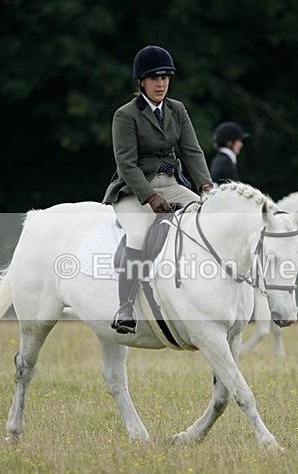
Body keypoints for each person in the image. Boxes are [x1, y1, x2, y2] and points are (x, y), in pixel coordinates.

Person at [102, 45, 214, 334]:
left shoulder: (177, 110)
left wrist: (205, 186)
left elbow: (192, 151)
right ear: (141, 82)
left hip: (172, 185)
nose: (161, 83)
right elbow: (126, 164)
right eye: (154, 78)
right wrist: (150, 197)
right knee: (139, 234)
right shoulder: (125, 115)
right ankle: (125, 307)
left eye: (165, 77)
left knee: (209, 219)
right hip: (133, 188)